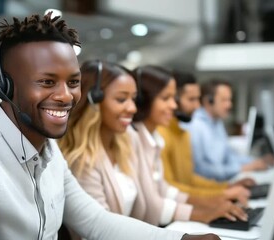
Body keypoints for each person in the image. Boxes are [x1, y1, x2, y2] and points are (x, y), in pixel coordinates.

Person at [0, 12, 220, 240]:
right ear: (6, 87)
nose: (65, 96)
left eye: (73, 82)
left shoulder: (48, 153)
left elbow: (95, 222)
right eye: (46, 82)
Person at [60, 60, 195, 229]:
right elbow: (101, 231)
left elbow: (152, 197)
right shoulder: (81, 161)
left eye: (133, 99)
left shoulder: (124, 145)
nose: (132, 108)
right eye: (121, 99)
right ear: (94, 101)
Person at [128, 65, 248, 224]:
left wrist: (223, 191)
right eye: (166, 98)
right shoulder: (154, 136)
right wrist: (214, 200)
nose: (197, 106)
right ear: (144, 101)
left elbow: (175, 185)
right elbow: (165, 193)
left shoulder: (175, 134)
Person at [158, 71, 253, 201]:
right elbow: (171, 189)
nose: (198, 106)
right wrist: (222, 194)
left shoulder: (183, 134)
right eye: (191, 99)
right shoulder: (162, 135)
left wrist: (225, 188)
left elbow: (189, 179)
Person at [184, 79, 274, 181]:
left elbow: (229, 157)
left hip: (220, 183)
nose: (229, 105)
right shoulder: (195, 126)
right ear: (208, 101)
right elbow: (200, 170)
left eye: (230, 100)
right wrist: (242, 169)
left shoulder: (217, 123)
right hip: (207, 187)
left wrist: (257, 161)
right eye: (224, 100)